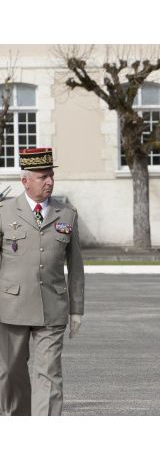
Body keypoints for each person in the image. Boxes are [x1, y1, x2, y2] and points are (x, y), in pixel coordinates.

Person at [0, 147, 84, 416]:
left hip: (52, 307)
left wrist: (76, 309)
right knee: (10, 373)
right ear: (25, 181)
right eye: (42, 177)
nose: (49, 182)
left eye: (51, 176)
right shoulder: (4, 213)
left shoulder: (67, 215)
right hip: (11, 307)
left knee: (48, 374)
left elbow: (76, 267)